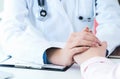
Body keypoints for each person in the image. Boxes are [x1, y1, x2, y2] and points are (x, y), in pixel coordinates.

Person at [0, 0, 120, 66]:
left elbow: (113, 23)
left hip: (86, 60)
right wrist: (55, 54)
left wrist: (98, 48)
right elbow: (9, 33)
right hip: (39, 62)